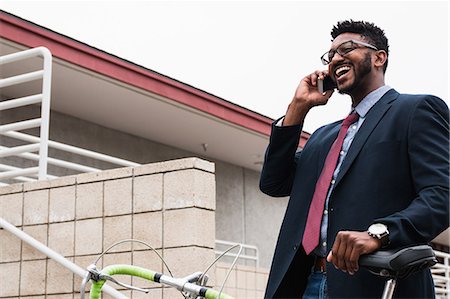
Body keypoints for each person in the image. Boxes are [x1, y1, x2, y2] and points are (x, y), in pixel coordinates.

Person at [259, 20, 449, 298]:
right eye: (331, 55)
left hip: (374, 283)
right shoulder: (323, 137)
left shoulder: (415, 110)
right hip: (304, 283)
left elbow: (441, 195)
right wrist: (296, 110)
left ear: (378, 57)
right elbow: (274, 183)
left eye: (347, 49)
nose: (336, 59)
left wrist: (380, 233)